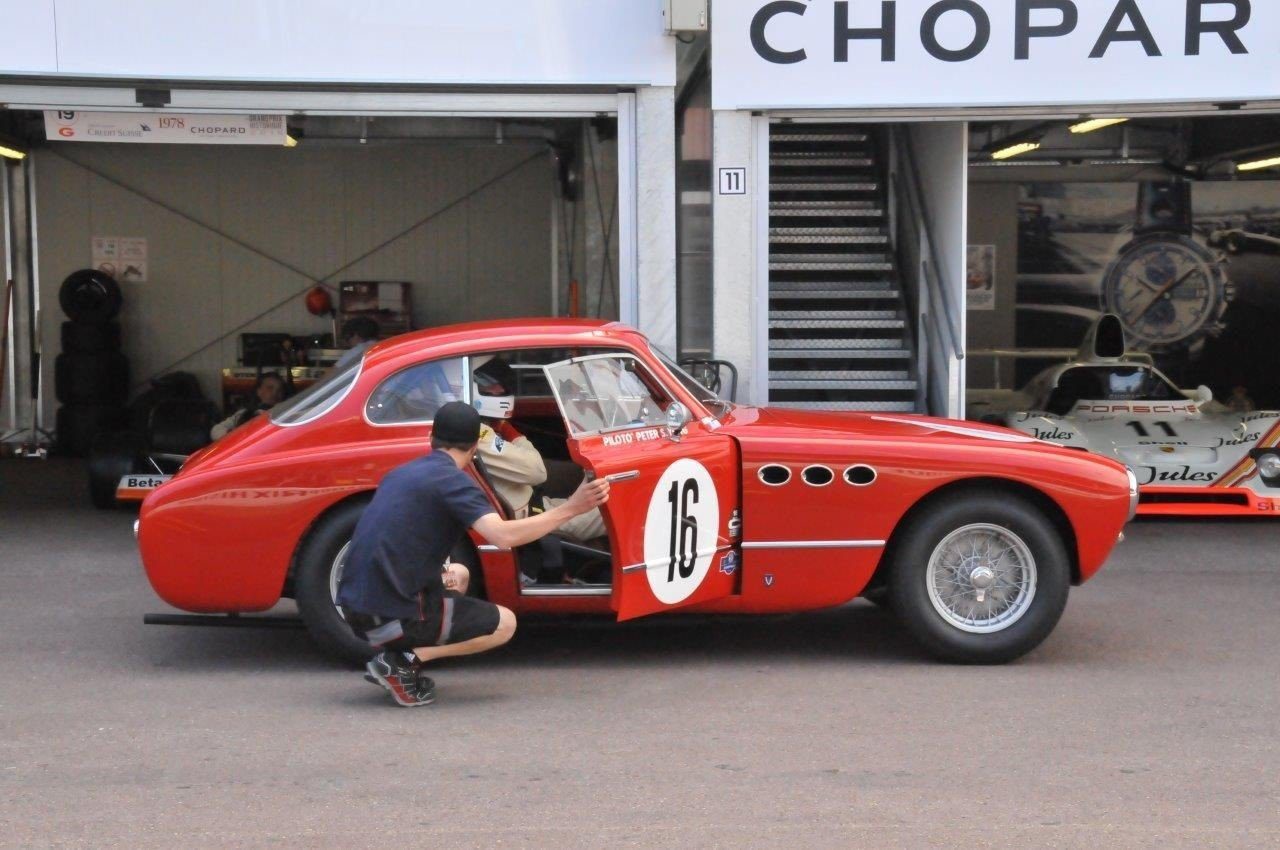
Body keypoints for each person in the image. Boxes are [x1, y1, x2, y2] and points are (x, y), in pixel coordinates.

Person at [336, 401, 610, 707]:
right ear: (475, 446)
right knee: (504, 623)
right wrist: (572, 508)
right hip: (388, 614)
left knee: (461, 575)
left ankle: (400, 651)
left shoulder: (402, 473)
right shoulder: (454, 483)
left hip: (354, 605)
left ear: (432, 438)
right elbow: (503, 537)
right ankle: (403, 661)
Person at [472, 356, 607, 544]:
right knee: (613, 510)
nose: (501, 390)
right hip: (535, 517)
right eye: (490, 384)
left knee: (576, 472)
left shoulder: (475, 427)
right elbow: (538, 472)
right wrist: (511, 432)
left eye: (501, 383)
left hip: (531, 500)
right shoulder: (477, 433)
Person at [210, 372, 286, 440]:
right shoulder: (244, 412)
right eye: (270, 388)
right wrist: (235, 436)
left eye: (279, 390)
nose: (275, 393)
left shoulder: (285, 413)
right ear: (259, 391)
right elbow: (216, 430)